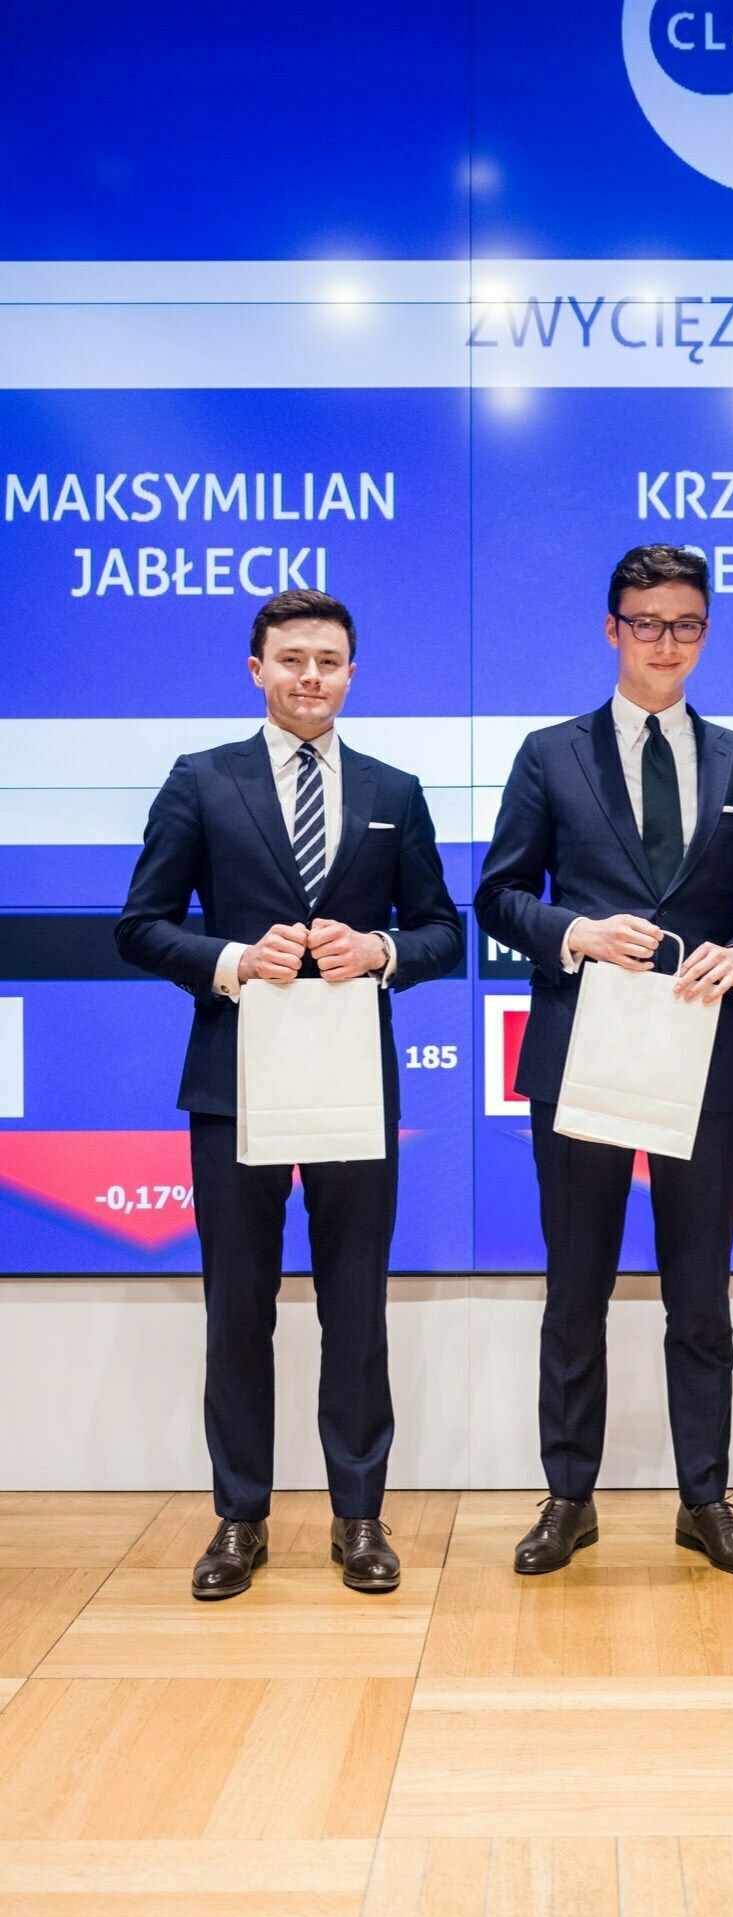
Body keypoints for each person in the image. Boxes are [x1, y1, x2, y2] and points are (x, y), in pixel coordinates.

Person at [116, 588, 463, 1600]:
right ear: (256, 669)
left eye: (330, 660)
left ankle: (359, 1518)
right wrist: (230, 958)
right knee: (239, 1308)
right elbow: (139, 924)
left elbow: (444, 929)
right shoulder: (201, 781)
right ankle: (239, 1518)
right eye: (292, 659)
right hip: (235, 1084)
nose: (312, 676)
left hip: (352, 1081)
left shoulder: (395, 786)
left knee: (356, 1306)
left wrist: (384, 949)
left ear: (353, 674)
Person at [475, 543, 733, 1576]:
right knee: (576, 1289)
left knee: (699, 1294)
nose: (667, 642)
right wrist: (575, 933)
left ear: (706, 633)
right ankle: (569, 1497)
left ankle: (704, 1498)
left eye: (687, 624)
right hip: (582, 1055)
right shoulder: (549, 753)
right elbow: (498, 894)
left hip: (701, 1059)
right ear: (612, 629)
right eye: (647, 622)